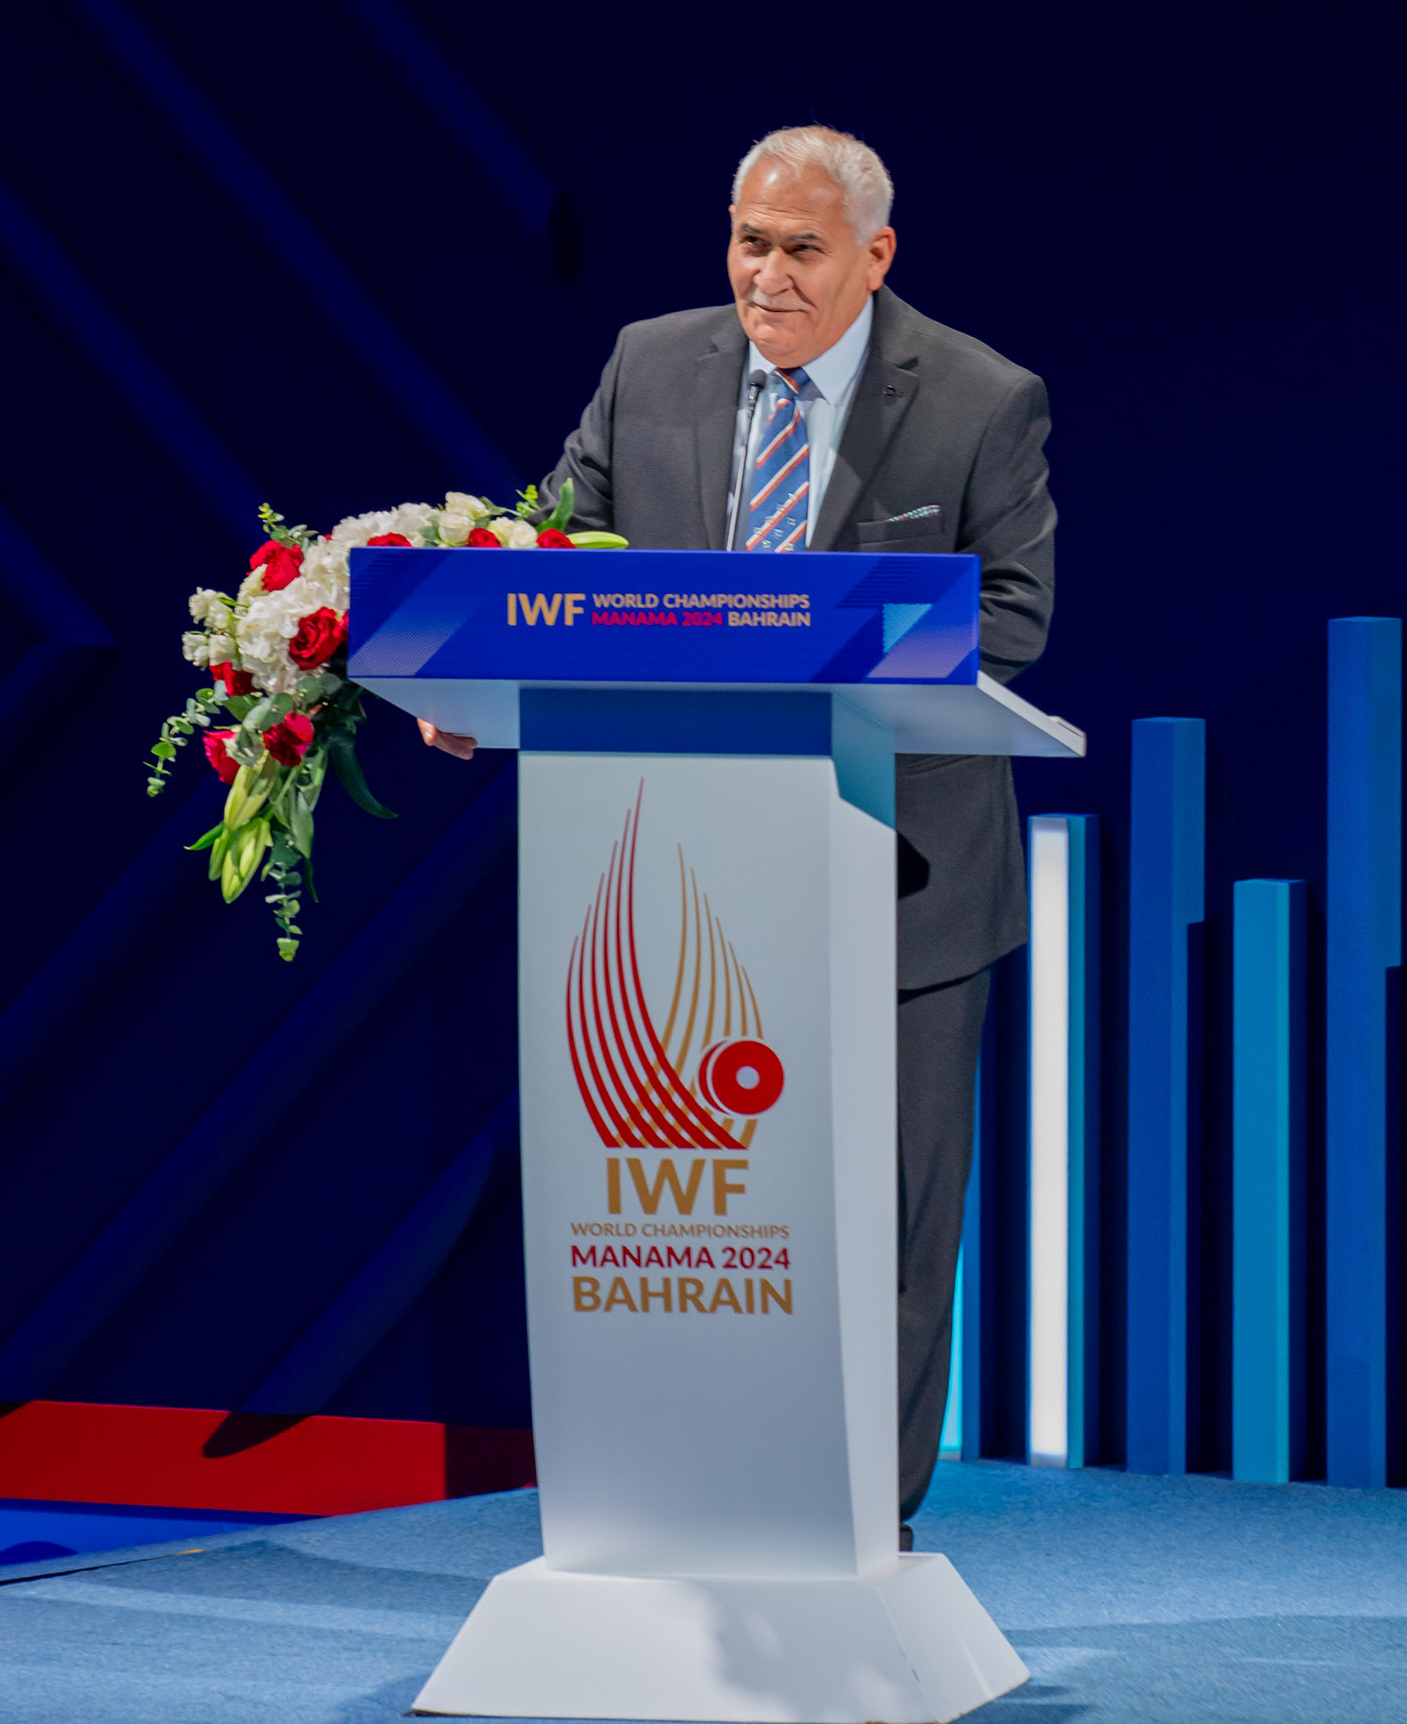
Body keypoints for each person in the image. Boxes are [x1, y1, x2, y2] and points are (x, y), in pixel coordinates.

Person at [420, 125, 1055, 1533]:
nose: (766, 275)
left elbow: (1014, 618)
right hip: (674, 870)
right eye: (748, 241)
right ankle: (679, 1493)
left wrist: (820, 642)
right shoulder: (650, 364)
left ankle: (865, 1516)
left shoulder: (979, 397)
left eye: (801, 250)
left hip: (900, 881)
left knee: (888, 1222)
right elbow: (554, 562)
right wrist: (473, 678)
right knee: (692, 1204)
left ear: (876, 257)